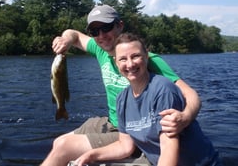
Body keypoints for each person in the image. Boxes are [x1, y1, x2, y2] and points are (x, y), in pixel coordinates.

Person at [41, 5, 201, 166]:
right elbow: (73, 34)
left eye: (107, 27)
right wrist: (65, 40)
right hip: (114, 123)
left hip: (137, 129)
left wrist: (185, 117)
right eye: (95, 31)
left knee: (63, 147)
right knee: (58, 142)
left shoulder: (147, 60)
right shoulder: (100, 49)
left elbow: (190, 94)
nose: (101, 35)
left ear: (120, 25)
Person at [75, 33, 222, 166]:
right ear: (116, 63)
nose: (130, 64)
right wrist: (91, 155)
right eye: (123, 59)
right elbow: (124, 146)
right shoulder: (122, 100)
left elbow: (168, 149)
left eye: (135, 56)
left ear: (146, 57)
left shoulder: (162, 90)